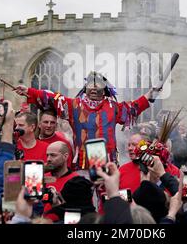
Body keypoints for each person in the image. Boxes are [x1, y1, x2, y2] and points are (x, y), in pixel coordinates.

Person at [14, 71, 156, 169]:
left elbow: (133, 108)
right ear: (85, 87)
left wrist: (150, 94)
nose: (94, 88)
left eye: (98, 85)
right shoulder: (73, 105)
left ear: (105, 89)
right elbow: (51, 98)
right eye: (90, 85)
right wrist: (28, 91)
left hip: (108, 165)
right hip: (82, 165)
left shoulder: (113, 107)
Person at [43, 141, 80, 221]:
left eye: (53, 155)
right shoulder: (42, 179)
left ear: (65, 156)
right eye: (47, 155)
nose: (48, 159)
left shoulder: (77, 181)